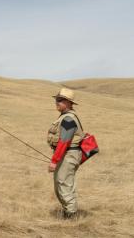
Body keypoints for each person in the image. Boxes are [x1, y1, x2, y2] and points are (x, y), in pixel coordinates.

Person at [47, 88, 84, 219]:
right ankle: (68, 212)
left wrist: (54, 161)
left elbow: (64, 142)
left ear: (69, 102)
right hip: (66, 155)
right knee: (61, 184)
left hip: (68, 155)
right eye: (56, 99)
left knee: (64, 185)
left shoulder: (68, 119)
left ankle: (72, 217)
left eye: (60, 100)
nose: (56, 102)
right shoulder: (65, 116)